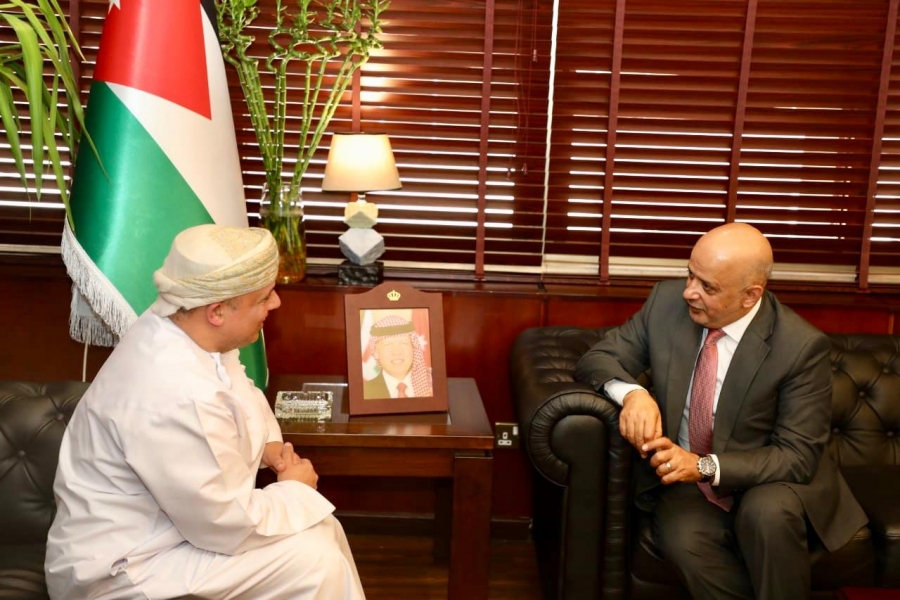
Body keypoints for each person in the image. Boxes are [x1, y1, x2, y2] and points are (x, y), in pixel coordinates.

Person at [45, 224, 366, 600]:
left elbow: (239, 387)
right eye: (264, 298)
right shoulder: (173, 391)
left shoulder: (182, 327)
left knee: (321, 529)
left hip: (170, 535)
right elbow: (224, 524)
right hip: (122, 569)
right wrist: (295, 489)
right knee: (317, 561)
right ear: (217, 312)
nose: (276, 304)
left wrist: (268, 445)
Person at [574, 223, 866, 600]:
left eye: (707, 287)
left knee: (767, 514)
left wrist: (704, 466)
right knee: (684, 540)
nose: (689, 292)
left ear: (750, 296)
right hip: (690, 485)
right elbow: (598, 357)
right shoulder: (665, 304)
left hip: (771, 478)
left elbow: (797, 456)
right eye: (690, 275)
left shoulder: (800, 347)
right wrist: (633, 394)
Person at [362, 314, 432, 400]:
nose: (397, 352)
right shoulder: (365, 392)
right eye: (388, 345)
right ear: (376, 352)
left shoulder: (432, 386)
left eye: (403, 343)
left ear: (413, 347)